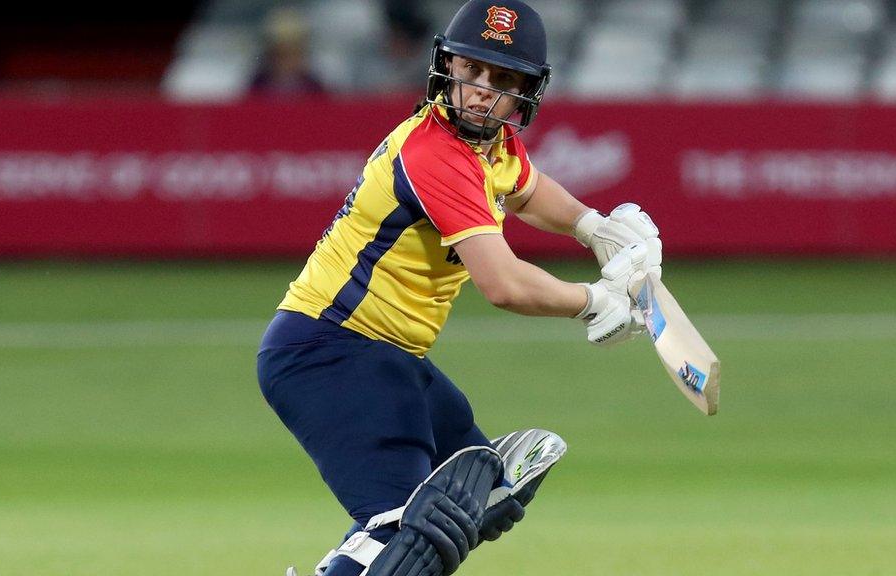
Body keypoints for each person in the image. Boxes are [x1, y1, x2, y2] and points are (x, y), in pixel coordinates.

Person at [257, 2, 662, 575]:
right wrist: (594, 301)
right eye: (471, 70)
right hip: (329, 350)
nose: (480, 91)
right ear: (447, 65)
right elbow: (502, 283)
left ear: (526, 92)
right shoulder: (436, 152)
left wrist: (593, 227)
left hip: (386, 358)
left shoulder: (490, 145)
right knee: (406, 529)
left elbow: (526, 188)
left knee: (486, 497)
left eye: (502, 80)